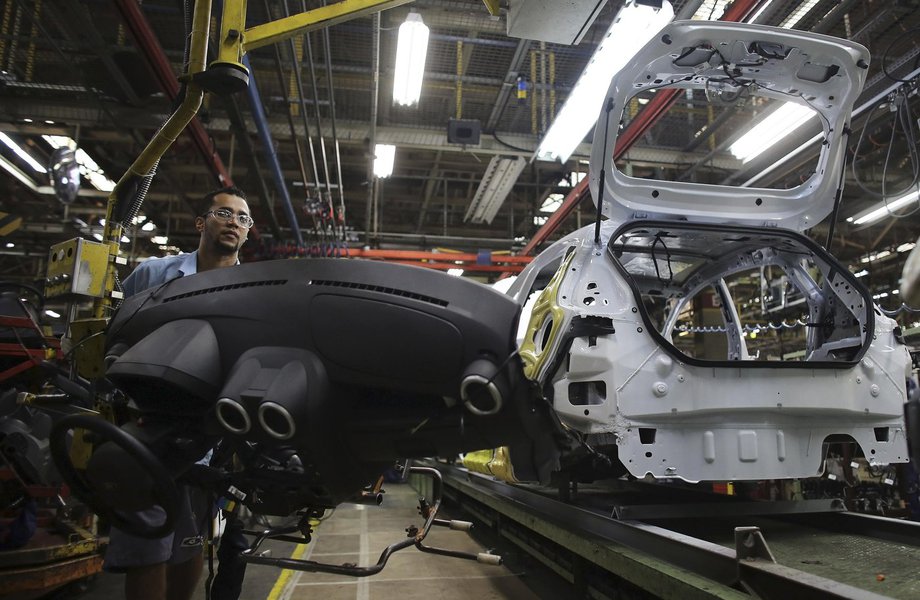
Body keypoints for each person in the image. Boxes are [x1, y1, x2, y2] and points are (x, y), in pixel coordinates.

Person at [103, 185, 253, 600]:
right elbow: (111, 332)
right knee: (148, 548)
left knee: (191, 543)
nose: (234, 223)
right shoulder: (155, 274)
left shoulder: (254, 288)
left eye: (243, 219)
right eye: (225, 213)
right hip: (145, 425)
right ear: (202, 222)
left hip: (209, 434)